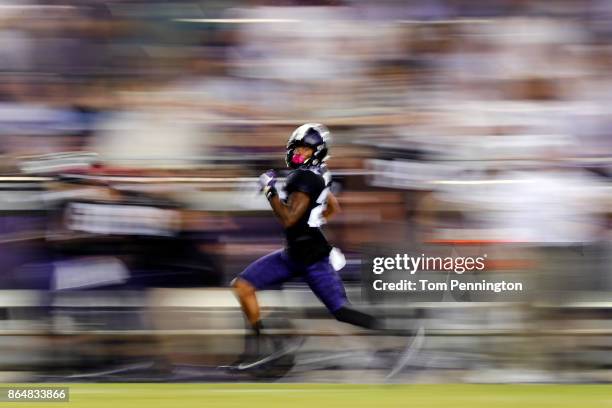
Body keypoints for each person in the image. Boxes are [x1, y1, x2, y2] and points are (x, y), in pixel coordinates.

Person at [231, 123, 418, 365]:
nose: (298, 153)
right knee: (243, 286)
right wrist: (313, 222)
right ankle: (261, 347)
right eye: (297, 148)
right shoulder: (319, 173)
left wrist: (269, 191)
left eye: (304, 149)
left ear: (316, 151)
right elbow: (332, 206)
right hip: (294, 253)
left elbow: (288, 219)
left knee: (341, 311)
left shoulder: (306, 177)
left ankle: (402, 336)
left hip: (311, 257)